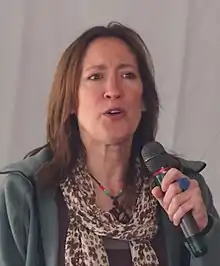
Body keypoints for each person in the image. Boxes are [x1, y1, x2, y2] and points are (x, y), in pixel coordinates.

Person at [0, 22, 219, 266]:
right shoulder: (22, 194)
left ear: (144, 99)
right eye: (95, 77)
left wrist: (205, 231)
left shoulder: (179, 188)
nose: (113, 91)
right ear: (71, 100)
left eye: (127, 75)